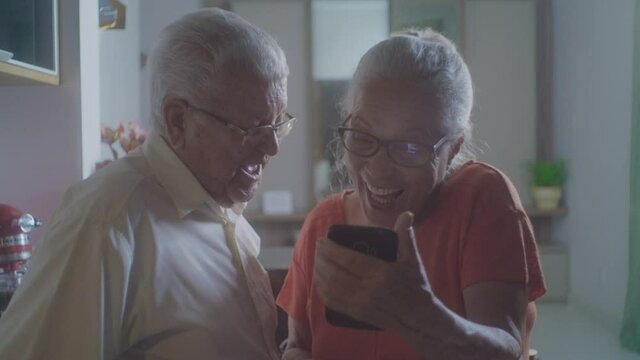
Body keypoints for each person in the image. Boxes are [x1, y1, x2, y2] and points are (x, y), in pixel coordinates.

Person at [0, 8, 295, 360]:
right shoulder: (104, 221)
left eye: (278, 125)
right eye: (252, 129)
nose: (272, 147)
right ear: (178, 121)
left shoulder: (218, 202)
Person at [276, 28, 545, 360]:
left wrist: (418, 314)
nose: (378, 167)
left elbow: (507, 349)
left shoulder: (481, 199)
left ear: (453, 148)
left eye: (410, 146)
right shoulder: (323, 223)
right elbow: (299, 345)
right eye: (361, 135)